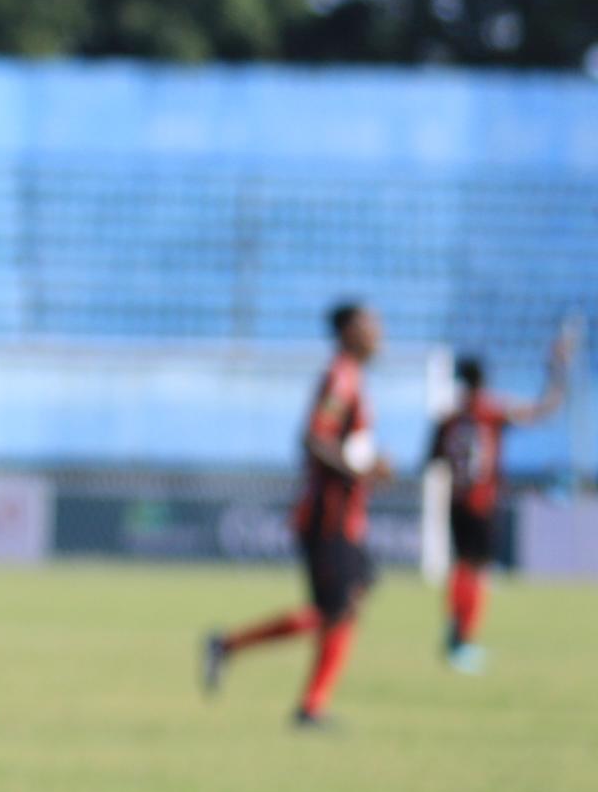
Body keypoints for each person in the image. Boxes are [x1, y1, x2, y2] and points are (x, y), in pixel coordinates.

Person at [204, 300, 385, 729]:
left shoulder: (352, 377)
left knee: (347, 600)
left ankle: (238, 652)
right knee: (335, 608)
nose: (378, 333)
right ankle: (303, 701)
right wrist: (360, 471)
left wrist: (367, 468)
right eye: (369, 324)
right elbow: (313, 439)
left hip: (346, 516)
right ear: (348, 332)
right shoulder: (340, 377)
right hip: (328, 517)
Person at [429, 330, 573, 669]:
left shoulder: (449, 418)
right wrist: (557, 370)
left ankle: (455, 629)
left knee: (462, 565)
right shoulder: (491, 412)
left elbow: (434, 458)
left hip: (456, 500)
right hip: (481, 501)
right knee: (476, 568)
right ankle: (462, 640)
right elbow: (544, 409)